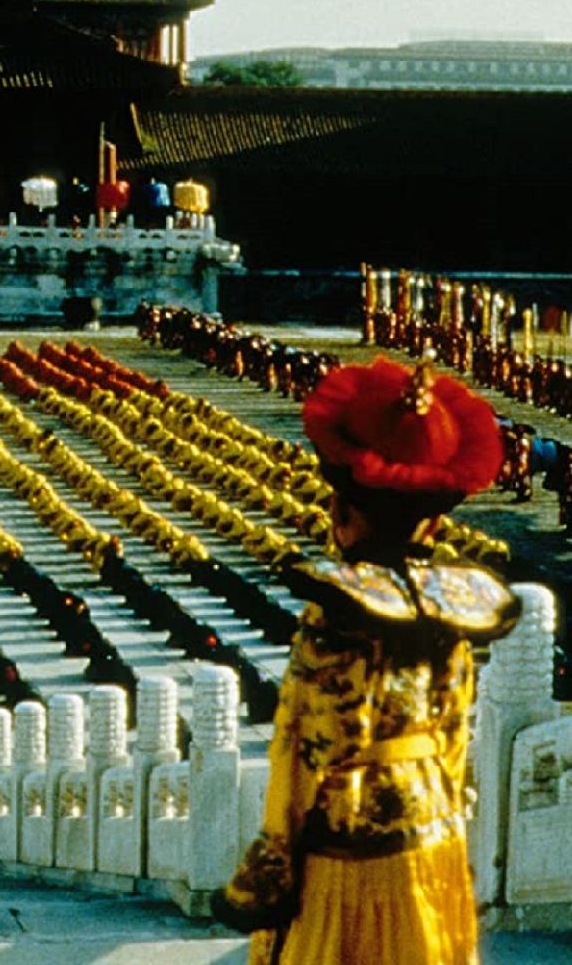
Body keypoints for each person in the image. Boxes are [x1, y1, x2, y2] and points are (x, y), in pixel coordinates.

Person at [213, 356, 517, 964]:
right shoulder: (453, 609)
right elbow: (456, 734)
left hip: (350, 836)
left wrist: (272, 862)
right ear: (431, 523)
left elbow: (303, 751)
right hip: (432, 827)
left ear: (344, 514)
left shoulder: (336, 617)